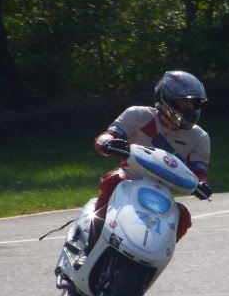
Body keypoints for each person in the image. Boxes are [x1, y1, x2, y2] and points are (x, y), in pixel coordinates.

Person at [90, 70, 212, 248]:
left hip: (162, 193)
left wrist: (202, 185)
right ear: (166, 101)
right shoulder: (138, 115)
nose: (190, 108)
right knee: (113, 180)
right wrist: (107, 143)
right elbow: (107, 136)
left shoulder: (200, 137)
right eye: (184, 102)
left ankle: (155, 257)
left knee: (183, 216)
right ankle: (93, 238)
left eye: (193, 103)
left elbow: (199, 174)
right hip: (129, 180)